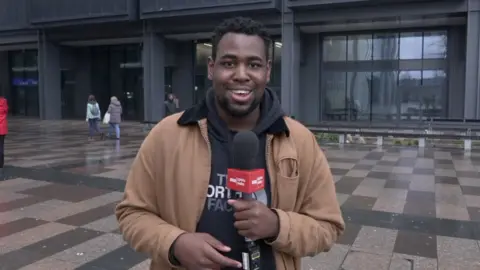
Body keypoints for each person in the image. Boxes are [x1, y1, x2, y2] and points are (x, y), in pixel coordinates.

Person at [116, 17, 344, 270]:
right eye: (229, 63)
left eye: (253, 64)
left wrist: (278, 225)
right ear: (212, 68)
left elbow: (328, 227)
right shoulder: (167, 135)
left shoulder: (299, 141)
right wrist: (175, 244)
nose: (241, 75)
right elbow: (132, 213)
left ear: (267, 71)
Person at [0, 95, 7, 180]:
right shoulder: (4, 101)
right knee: (1, 147)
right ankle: (1, 166)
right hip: (2, 128)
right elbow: (6, 110)